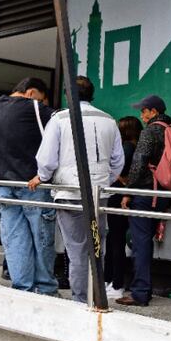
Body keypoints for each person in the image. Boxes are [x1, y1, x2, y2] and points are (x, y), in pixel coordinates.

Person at [30, 76, 124, 304]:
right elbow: (117, 161)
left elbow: (47, 158)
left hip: (70, 193)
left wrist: (41, 177)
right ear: (92, 94)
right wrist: (104, 182)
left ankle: (81, 300)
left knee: (77, 250)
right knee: (96, 246)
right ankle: (97, 296)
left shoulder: (60, 118)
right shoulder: (109, 120)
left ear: (68, 94)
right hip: (99, 195)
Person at [0, 77, 57, 295]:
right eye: (42, 99)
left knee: (14, 239)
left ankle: (22, 288)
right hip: (32, 183)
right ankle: (46, 289)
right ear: (31, 93)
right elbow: (63, 124)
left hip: (3, 184)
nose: (42, 103)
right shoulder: (34, 107)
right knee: (42, 237)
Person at [117, 95, 171, 307]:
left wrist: (128, 191)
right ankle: (143, 288)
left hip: (146, 192)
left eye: (145, 111)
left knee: (139, 243)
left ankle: (139, 292)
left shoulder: (151, 130)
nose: (142, 115)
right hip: (162, 192)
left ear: (154, 112)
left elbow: (139, 162)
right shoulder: (170, 129)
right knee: (144, 241)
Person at [104, 116, 142, 298]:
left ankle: (117, 283)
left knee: (116, 241)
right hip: (130, 196)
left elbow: (116, 169)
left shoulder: (126, 148)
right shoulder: (138, 148)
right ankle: (113, 280)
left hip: (118, 196)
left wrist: (115, 175)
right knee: (117, 239)